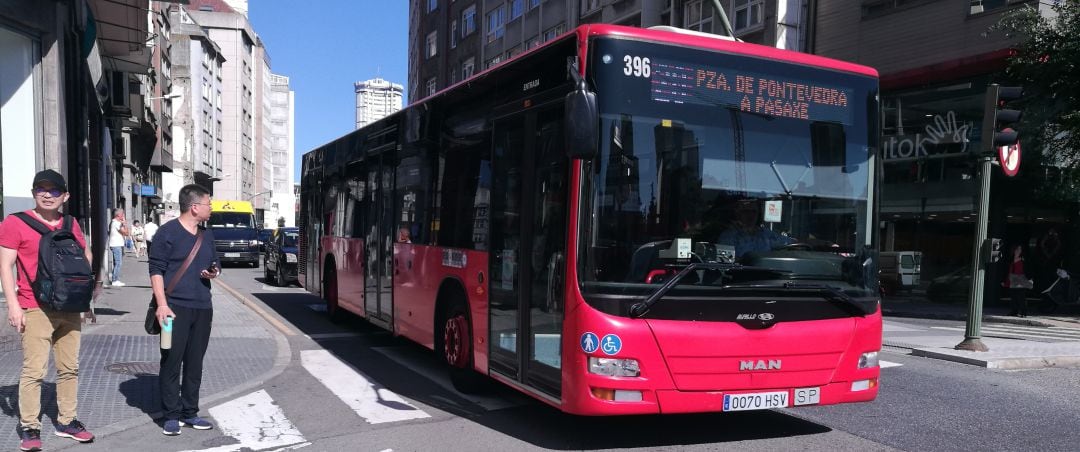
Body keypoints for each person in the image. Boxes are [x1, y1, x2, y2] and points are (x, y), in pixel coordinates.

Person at [0, 170, 96, 451]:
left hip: (69, 306)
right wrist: (13, 305)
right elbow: (5, 265)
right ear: (33, 193)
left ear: (64, 196)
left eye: (53, 190)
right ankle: (30, 426)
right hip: (34, 305)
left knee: (70, 368)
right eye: (40, 189)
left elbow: (85, 254)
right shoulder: (15, 223)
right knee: (34, 370)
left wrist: (81, 289)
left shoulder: (70, 222)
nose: (46, 194)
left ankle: (67, 421)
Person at [149, 184, 220, 436]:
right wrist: (162, 305)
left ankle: (190, 412)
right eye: (208, 203)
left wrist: (213, 271)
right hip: (174, 308)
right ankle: (171, 415)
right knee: (171, 360)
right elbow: (156, 270)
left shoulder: (207, 235)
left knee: (194, 363)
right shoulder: (166, 233)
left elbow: (215, 262)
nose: (211, 208)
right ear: (195, 207)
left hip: (203, 307)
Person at [717, 200, 794, 259]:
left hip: (767, 276)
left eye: (753, 212)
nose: (750, 215)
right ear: (738, 214)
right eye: (746, 211)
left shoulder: (766, 234)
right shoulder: (728, 237)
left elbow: (787, 243)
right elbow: (724, 261)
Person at [1004, 244, 1033, 317]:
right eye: (1017, 249)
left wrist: (1030, 279)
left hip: (1021, 278)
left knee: (1021, 297)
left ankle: (1024, 312)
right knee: (1013, 297)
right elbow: (1008, 269)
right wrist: (1005, 280)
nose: (1018, 251)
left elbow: (1028, 269)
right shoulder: (1011, 258)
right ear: (1014, 250)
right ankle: (1014, 311)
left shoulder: (1023, 259)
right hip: (1013, 278)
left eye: (1020, 249)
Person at [108, 209, 127, 287]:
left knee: (117, 262)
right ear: (118, 215)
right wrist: (124, 224)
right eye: (122, 214)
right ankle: (115, 280)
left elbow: (126, 232)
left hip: (117, 244)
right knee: (118, 263)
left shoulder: (115, 223)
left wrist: (123, 224)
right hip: (116, 245)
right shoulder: (116, 223)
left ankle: (115, 279)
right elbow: (125, 232)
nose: (123, 216)